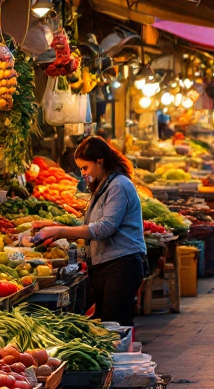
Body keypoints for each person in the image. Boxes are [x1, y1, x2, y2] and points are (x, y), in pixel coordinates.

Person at [38, 137, 147, 326]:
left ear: (100, 161)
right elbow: (92, 228)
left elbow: (104, 228)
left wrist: (60, 231)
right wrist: (57, 233)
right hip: (107, 265)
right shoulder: (103, 187)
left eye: (85, 168)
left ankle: (124, 354)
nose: (83, 174)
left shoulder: (119, 186)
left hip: (122, 265)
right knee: (108, 326)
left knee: (115, 326)